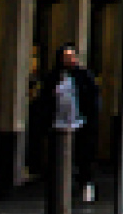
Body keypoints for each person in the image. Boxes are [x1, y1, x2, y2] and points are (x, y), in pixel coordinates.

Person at [29, 44, 101, 204]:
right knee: (59, 156)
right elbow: (46, 99)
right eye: (66, 57)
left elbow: (92, 97)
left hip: (79, 122)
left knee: (83, 155)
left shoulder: (83, 76)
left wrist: (92, 117)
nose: (69, 60)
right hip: (58, 123)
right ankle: (60, 185)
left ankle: (85, 183)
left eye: (71, 56)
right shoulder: (53, 77)